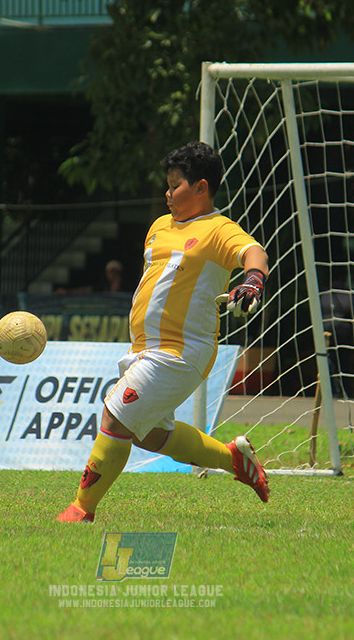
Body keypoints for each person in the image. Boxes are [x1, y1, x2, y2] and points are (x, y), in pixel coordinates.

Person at [57, 141, 271, 523]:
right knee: (148, 436)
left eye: (175, 185)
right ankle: (233, 458)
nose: (167, 193)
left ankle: (81, 510)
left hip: (181, 352)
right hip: (143, 349)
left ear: (201, 188)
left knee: (115, 417)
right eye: (168, 185)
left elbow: (254, 253)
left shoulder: (218, 229)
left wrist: (252, 280)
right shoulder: (159, 227)